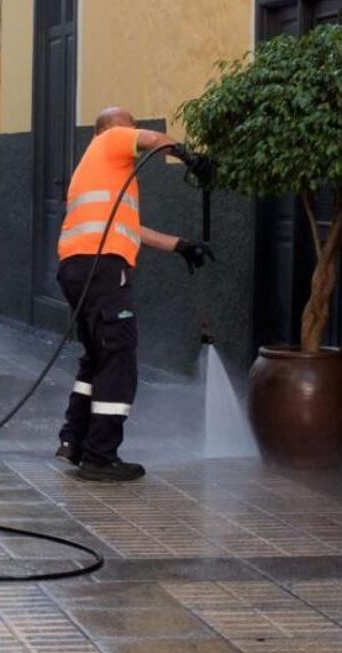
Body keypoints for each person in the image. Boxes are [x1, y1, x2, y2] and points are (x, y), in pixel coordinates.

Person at [55, 107, 213, 482]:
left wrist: (179, 245)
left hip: (78, 269)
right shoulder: (109, 140)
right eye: (130, 126)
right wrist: (191, 157)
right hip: (103, 268)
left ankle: (74, 441)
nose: (134, 134)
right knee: (119, 356)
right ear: (110, 129)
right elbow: (156, 140)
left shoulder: (96, 172)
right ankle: (100, 456)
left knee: (97, 356)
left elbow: (129, 227)